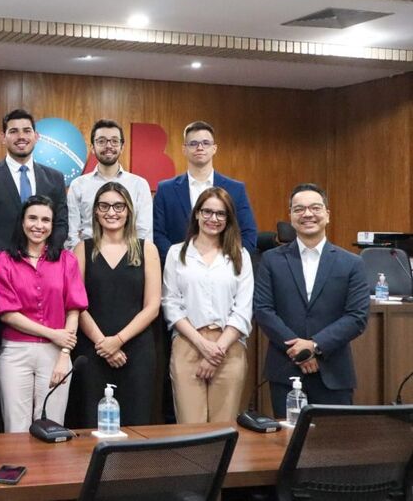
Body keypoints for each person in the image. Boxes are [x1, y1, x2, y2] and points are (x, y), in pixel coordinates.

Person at [254, 183, 369, 417]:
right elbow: (263, 310)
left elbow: (357, 317)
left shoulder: (352, 263)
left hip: (334, 372)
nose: (307, 214)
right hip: (285, 372)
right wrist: (299, 351)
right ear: (291, 216)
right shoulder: (271, 260)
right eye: (299, 209)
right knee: (287, 447)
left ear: (327, 214)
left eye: (315, 208)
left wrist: (314, 346)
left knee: (335, 447)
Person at [0, 195, 87, 432]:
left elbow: (74, 309)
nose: (38, 225)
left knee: (52, 426)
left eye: (46, 220)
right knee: (16, 427)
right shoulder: (1, 261)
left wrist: (65, 354)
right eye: (32, 218)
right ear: (22, 222)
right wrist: (54, 333)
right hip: (15, 352)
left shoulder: (67, 260)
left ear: (52, 226)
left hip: (56, 354)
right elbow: (8, 313)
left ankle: (50, 471)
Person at [162, 187, 253, 423]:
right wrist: (203, 345)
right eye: (207, 212)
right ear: (197, 214)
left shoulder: (240, 255)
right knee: (190, 429)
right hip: (188, 344)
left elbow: (243, 310)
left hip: (229, 347)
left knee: (224, 428)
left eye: (221, 214)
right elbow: (171, 304)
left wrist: (216, 351)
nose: (213, 219)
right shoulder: (176, 254)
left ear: (229, 219)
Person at [73, 182, 160, 426]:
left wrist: (117, 341)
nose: (112, 212)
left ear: (129, 211)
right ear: (96, 212)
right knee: (93, 426)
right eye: (104, 206)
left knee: (136, 424)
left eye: (118, 206)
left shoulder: (146, 249)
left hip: (137, 351)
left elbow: (152, 306)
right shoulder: (82, 249)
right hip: (93, 350)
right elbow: (77, 304)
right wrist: (103, 343)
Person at [153, 121, 257, 264]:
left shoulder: (236, 189)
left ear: (214, 148)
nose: (200, 147)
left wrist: (225, 263)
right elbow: (157, 234)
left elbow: (248, 234)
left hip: (224, 272)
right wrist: (179, 261)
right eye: (193, 143)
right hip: (178, 270)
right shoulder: (166, 189)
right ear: (184, 149)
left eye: (206, 143)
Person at [0, 109, 69, 254]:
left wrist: (43, 254)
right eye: (13, 131)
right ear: (3, 137)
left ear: (36, 136)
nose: (21, 136)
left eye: (27, 131)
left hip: (44, 264)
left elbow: (61, 224)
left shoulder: (55, 178)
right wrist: (10, 257)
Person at [66, 119, 152, 249]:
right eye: (101, 141)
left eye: (114, 141)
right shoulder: (78, 185)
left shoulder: (139, 185)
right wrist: (79, 262)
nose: (108, 146)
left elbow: (144, 232)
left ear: (122, 147)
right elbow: (72, 233)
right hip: (87, 257)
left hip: (129, 258)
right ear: (92, 148)